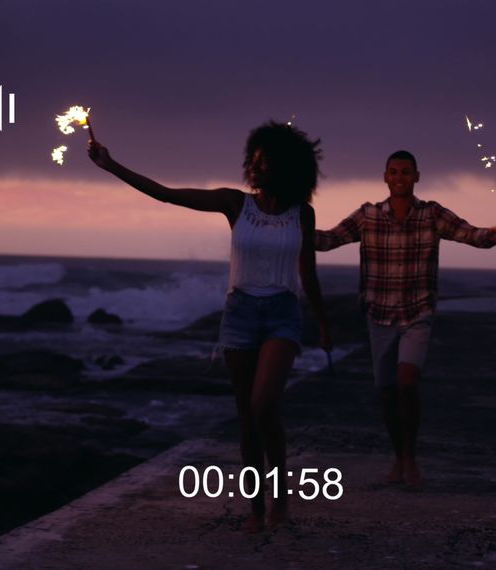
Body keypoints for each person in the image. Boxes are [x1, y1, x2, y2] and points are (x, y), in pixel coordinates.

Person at [88, 120, 331, 531]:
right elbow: (166, 194)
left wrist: (323, 323)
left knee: (264, 405)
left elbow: (308, 272)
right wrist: (111, 165)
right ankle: (256, 509)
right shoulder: (235, 203)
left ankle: (280, 497)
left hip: (282, 314)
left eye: (263, 161)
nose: (254, 167)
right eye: (253, 160)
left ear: (285, 166)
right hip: (239, 314)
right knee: (247, 417)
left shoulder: (302, 214)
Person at [315, 150, 496, 488]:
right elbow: (329, 240)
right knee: (387, 392)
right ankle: (398, 457)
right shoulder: (367, 215)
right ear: (385, 177)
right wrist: (294, 227)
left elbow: (467, 233)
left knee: (407, 381)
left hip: (417, 311)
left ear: (416, 176)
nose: (399, 177)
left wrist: (490, 236)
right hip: (378, 313)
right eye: (393, 172)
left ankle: (410, 459)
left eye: (406, 172)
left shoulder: (432, 214)